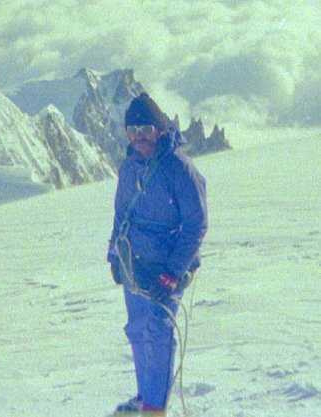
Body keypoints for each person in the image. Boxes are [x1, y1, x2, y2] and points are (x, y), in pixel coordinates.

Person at [107, 93, 208, 415]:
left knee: (158, 331)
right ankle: (145, 395)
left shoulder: (180, 170)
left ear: (161, 130)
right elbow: (121, 214)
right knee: (138, 329)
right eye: (132, 129)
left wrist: (174, 271)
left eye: (146, 128)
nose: (139, 136)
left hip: (167, 265)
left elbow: (196, 224)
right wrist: (114, 254)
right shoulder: (128, 167)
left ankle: (154, 408)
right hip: (134, 262)